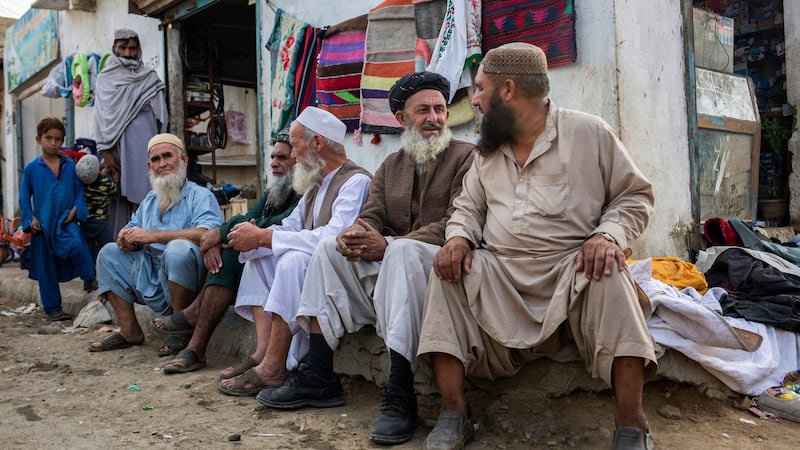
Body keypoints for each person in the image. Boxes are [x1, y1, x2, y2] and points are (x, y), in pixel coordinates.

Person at [418, 43, 657, 450]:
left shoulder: (589, 132)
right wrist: (458, 237)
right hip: (501, 274)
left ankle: (631, 426)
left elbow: (634, 197)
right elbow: (468, 208)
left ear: (508, 90)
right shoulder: (487, 151)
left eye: (479, 89)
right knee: (447, 273)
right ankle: (454, 414)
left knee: (610, 272)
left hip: (570, 272)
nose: (473, 100)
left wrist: (607, 235)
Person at [257, 71, 475, 446]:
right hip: (396, 266)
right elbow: (373, 214)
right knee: (328, 248)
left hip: (440, 269)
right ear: (402, 120)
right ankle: (320, 375)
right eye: (423, 110)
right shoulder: (391, 165)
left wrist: (389, 245)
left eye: (440, 109)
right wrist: (356, 233)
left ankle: (401, 392)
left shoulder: (466, 157)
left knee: (403, 251)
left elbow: (458, 221)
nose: (435, 118)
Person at [217, 106, 371, 396]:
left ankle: (276, 366)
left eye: (297, 145)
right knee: (258, 260)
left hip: (345, 275)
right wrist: (254, 237)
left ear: (317, 144)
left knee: (293, 260)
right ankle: (264, 353)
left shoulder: (356, 181)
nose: (295, 154)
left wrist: (265, 237)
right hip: (316, 269)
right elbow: (290, 227)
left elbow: (333, 237)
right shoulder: (315, 186)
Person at [155, 130, 303, 374]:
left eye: (282, 158)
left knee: (230, 254)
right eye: (273, 157)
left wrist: (228, 235)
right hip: (264, 251)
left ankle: (195, 340)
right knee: (226, 252)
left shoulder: (305, 190)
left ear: (297, 161)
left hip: (290, 256)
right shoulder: (273, 192)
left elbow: (286, 222)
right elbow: (248, 217)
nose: (274, 163)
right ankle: (194, 347)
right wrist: (221, 234)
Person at [89, 133, 223, 353]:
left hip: (188, 278)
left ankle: (179, 331)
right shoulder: (150, 199)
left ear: (184, 160)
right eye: (156, 159)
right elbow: (133, 230)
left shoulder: (201, 195)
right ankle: (129, 331)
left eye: (167, 156)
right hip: (151, 273)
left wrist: (151, 236)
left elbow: (206, 233)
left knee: (178, 249)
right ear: (149, 165)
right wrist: (127, 239)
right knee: (108, 253)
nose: (162, 164)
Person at [19, 117, 95, 321]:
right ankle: (53, 308)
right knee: (46, 265)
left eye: (58, 139)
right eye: (48, 138)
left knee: (78, 245)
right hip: (43, 224)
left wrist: (76, 209)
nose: (53, 143)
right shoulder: (32, 168)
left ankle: (89, 278)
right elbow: (24, 196)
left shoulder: (69, 165)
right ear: (38, 139)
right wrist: (30, 218)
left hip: (65, 221)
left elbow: (79, 190)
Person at [94, 28, 168, 235]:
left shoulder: (149, 78)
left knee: (147, 195)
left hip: (144, 146)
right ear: (114, 49)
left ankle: (148, 242)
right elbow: (100, 117)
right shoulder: (104, 79)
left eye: (132, 48)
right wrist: (105, 152)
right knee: (117, 199)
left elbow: (162, 117)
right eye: (123, 47)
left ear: (139, 50)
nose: (127, 53)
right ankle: (119, 248)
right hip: (115, 148)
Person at [75, 153, 119, 292]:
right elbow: (115, 191)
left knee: (90, 253)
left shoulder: (81, 185)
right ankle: (113, 279)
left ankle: (89, 281)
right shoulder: (106, 182)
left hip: (85, 223)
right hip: (101, 223)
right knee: (109, 250)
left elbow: (93, 179)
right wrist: (116, 178)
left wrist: (100, 173)